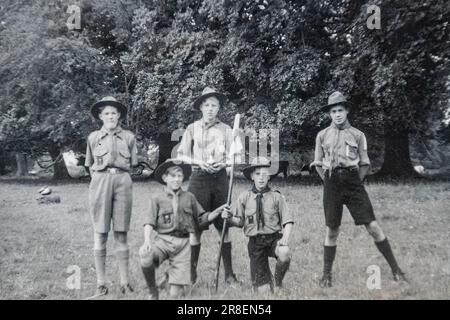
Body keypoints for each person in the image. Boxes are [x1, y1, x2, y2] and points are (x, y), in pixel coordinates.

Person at [311, 91, 407, 288]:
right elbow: (317, 163)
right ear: (330, 113)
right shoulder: (322, 135)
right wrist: (327, 181)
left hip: (353, 182)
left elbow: (364, 163)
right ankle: (326, 276)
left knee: (372, 225)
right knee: (332, 230)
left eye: (340, 110)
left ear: (346, 111)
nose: (337, 114)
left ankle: (396, 270)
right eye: (333, 111)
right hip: (331, 184)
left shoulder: (358, 135)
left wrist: (356, 181)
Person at [176, 87, 241, 285]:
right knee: (196, 227)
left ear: (219, 107)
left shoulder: (227, 130)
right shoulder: (191, 128)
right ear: (201, 107)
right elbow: (180, 155)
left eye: (214, 105)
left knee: (224, 225)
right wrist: (197, 162)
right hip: (199, 178)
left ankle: (229, 275)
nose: (211, 109)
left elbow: (236, 156)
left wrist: (226, 163)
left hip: (221, 179)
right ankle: (192, 275)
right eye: (207, 105)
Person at [139, 159, 227, 299]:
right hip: (163, 241)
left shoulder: (190, 198)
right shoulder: (157, 198)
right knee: (146, 257)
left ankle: (171, 278)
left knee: (176, 295)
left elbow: (201, 218)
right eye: (173, 176)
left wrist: (215, 214)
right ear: (164, 178)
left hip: (183, 246)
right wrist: (147, 241)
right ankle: (153, 290)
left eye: (180, 176)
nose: (177, 179)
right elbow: (149, 222)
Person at [85, 96, 138, 296]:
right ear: (100, 116)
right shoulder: (92, 138)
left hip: (123, 181)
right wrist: (101, 179)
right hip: (100, 181)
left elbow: (132, 164)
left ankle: (125, 282)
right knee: (100, 232)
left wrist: (118, 177)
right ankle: (101, 282)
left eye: (114, 113)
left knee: (122, 232)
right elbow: (90, 166)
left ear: (119, 116)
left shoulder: (129, 137)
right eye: (106, 113)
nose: (110, 116)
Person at [222, 157, 294, 293]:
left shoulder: (276, 197)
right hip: (255, 245)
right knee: (264, 292)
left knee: (284, 253)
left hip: (274, 239)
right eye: (258, 174)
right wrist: (229, 218)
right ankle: (266, 279)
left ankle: (278, 283)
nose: (261, 178)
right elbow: (239, 222)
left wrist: (285, 238)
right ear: (252, 176)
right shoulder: (244, 197)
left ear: (269, 177)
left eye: (265, 174)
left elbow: (288, 221)